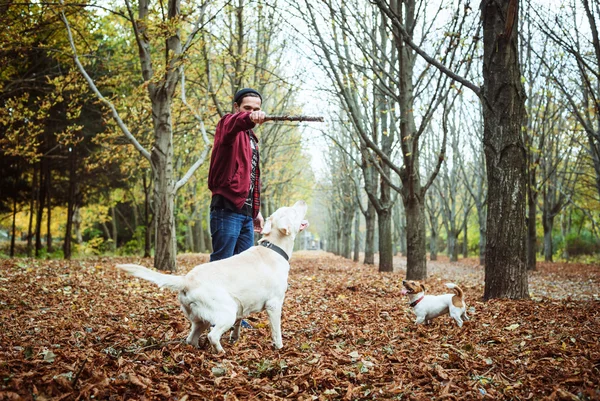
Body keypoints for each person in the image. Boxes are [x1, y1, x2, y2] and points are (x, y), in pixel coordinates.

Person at [208, 88, 266, 263]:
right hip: (227, 209)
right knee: (222, 265)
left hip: (247, 214)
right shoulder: (227, 126)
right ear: (236, 107)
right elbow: (234, 123)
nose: (252, 113)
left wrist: (256, 211)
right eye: (247, 108)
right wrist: (247, 118)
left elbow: (249, 177)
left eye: (256, 110)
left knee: (244, 268)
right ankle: (206, 291)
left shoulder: (252, 140)